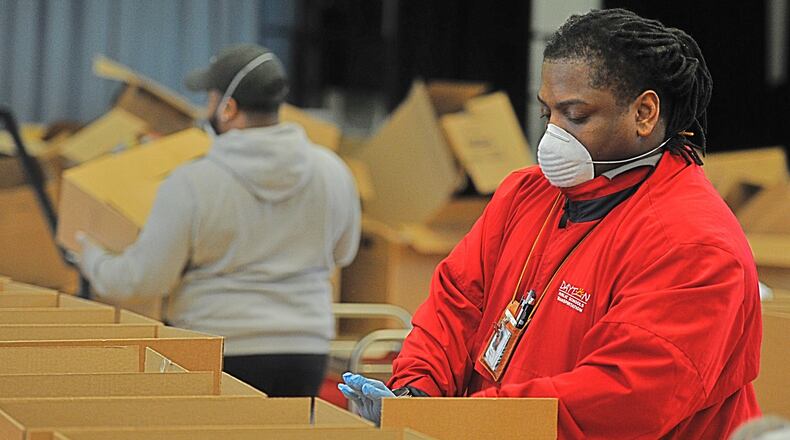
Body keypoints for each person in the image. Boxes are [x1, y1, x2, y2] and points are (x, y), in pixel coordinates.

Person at [340, 8, 762, 438]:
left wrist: (457, 420)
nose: (553, 136)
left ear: (644, 113)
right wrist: (417, 392)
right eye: (547, 114)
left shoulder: (693, 245)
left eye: (575, 116)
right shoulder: (527, 193)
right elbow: (456, 304)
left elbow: (620, 398)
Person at [77, 44, 361, 397]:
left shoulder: (193, 182)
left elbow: (142, 280)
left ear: (228, 108)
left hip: (222, 348)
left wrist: (91, 258)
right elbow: (343, 254)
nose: (205, 108)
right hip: (305, 350)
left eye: (210, 98)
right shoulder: (332, 171)